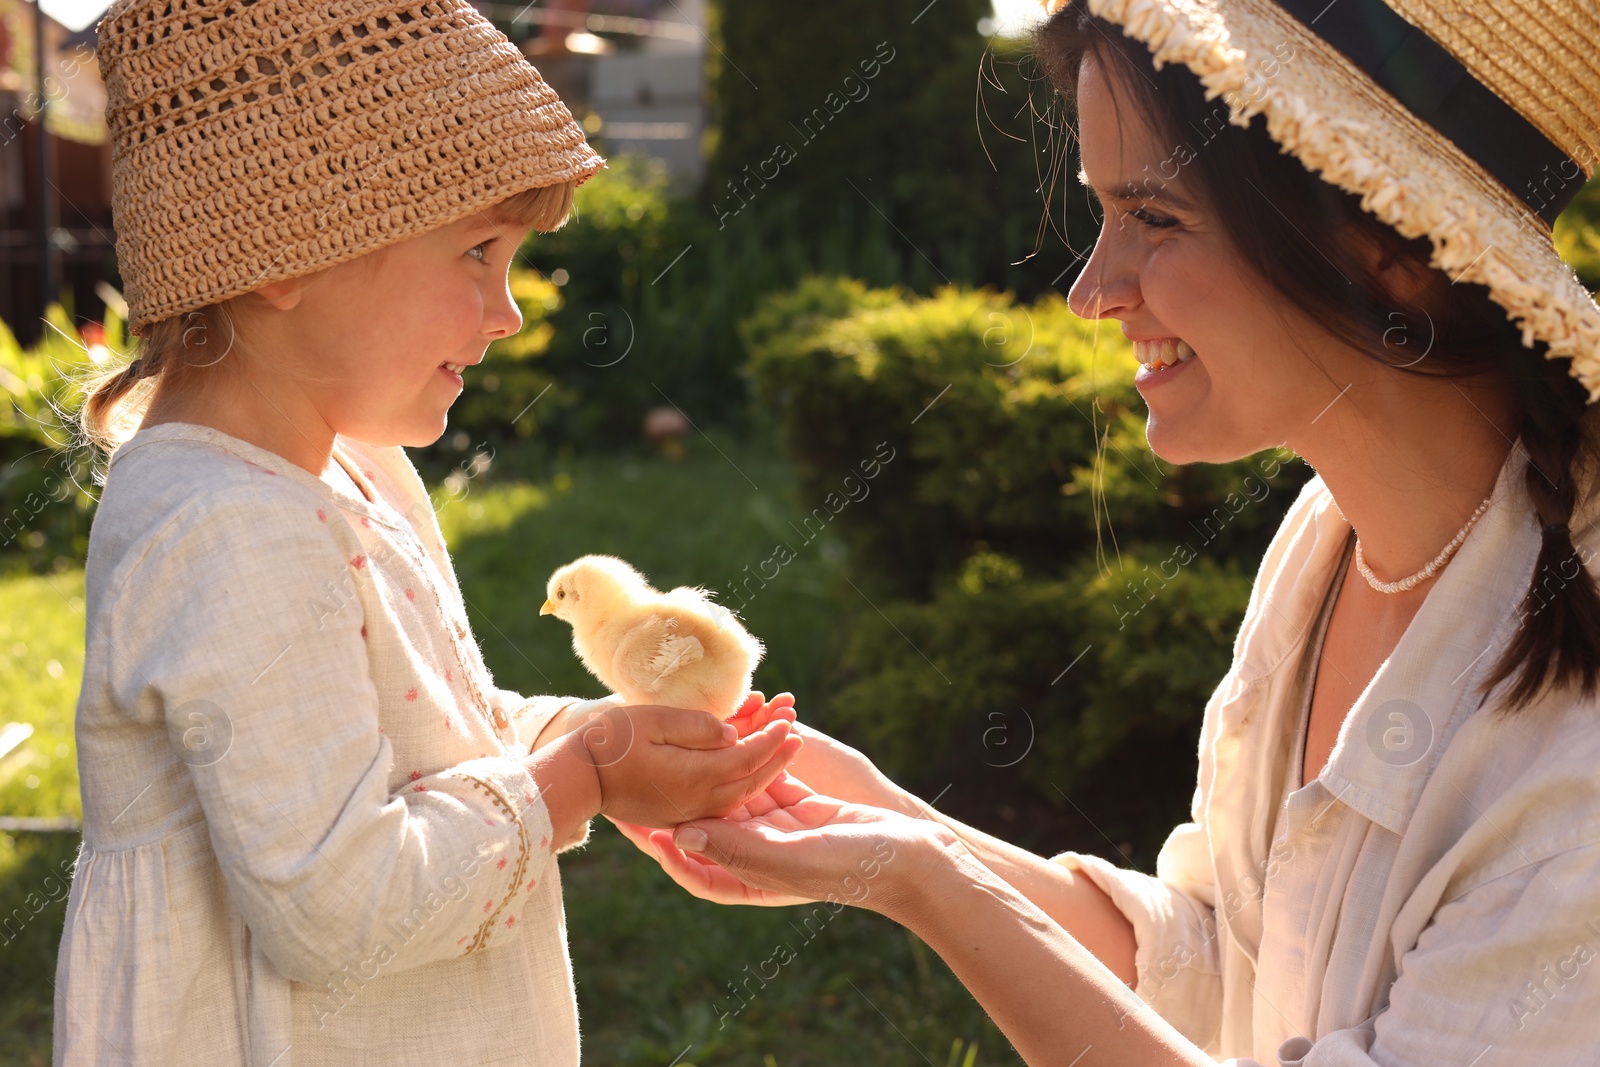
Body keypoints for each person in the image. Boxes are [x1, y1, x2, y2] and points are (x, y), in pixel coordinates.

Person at [617, 0, 1600, 1063]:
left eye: (1157, 218)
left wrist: (927, 884)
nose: (1091, 291)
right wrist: (890, 825)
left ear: (1389, 245)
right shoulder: (1328, 540)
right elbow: (1224, 962)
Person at [53, 1, 800, 1063]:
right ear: (286, 246)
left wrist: (591, 737)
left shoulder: (349, 466)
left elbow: (423, 722)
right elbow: (340, 905)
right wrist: (579, 777)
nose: (508, 312)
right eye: (477, 253)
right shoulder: (224, 531)